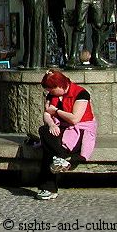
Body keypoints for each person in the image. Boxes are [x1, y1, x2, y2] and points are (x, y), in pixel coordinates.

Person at [35, 70, 97, 200]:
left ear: (60, 86)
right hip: (61, 128)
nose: (49, 93)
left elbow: (75, 119)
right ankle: (60, 158)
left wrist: (56, 111)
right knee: (44, 131)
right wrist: (51, 124)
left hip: (78, 132)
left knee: (48, 151)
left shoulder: (81, 93)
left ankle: (49, 188)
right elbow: (47, 114)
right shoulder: (52, 96)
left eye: (51, 90)